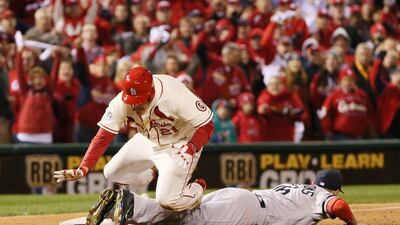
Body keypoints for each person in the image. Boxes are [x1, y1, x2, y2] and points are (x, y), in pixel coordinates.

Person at [54, 66, 214, 214]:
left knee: (167, 201)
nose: (134, 103)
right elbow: (103, 136)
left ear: (150, 91)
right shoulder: (120, 103)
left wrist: (192, 147)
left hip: (179, 145)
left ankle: (197, 188)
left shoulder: (173, 93)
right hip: (147, 139)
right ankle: (151, 174)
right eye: (131, 98)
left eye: (138, 98)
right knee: (111, 172)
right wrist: (83, 168)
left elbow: (207, 124)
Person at [86, 169, 360, 225]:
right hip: (246, 212)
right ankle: (129, 204)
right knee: (191, 221)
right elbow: (337, 205)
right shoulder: (324, 195)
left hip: (239, 199)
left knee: (184, 215)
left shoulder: (298, 188)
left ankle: (130, 205)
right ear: (333, 187)